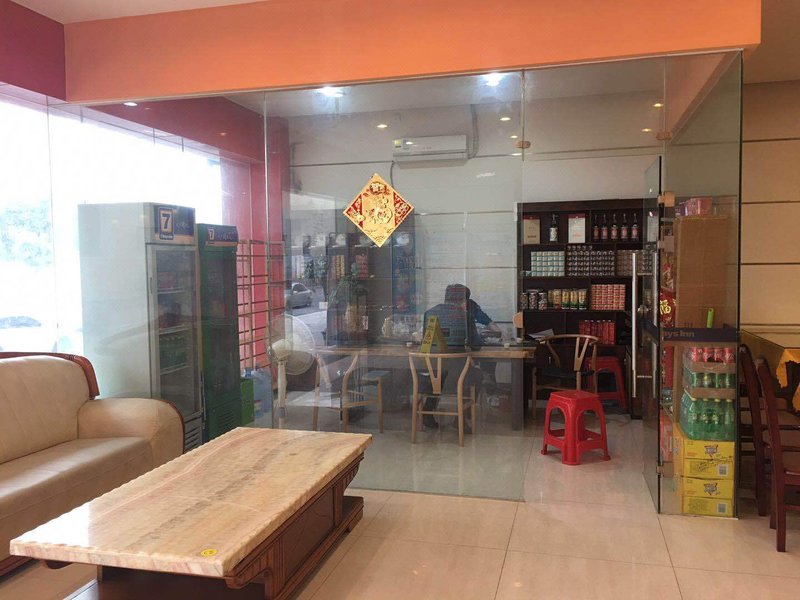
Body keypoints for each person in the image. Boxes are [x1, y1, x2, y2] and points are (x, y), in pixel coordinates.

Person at [418, 284, 498, 430]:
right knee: (477, 375)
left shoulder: (430, 313)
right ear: (464, 301)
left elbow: (426, 341)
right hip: (456, 376)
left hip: (432, 372)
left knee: (439, 373)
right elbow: (475, 345)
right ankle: (461, 417)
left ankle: (428, 411)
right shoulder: (465, 316)